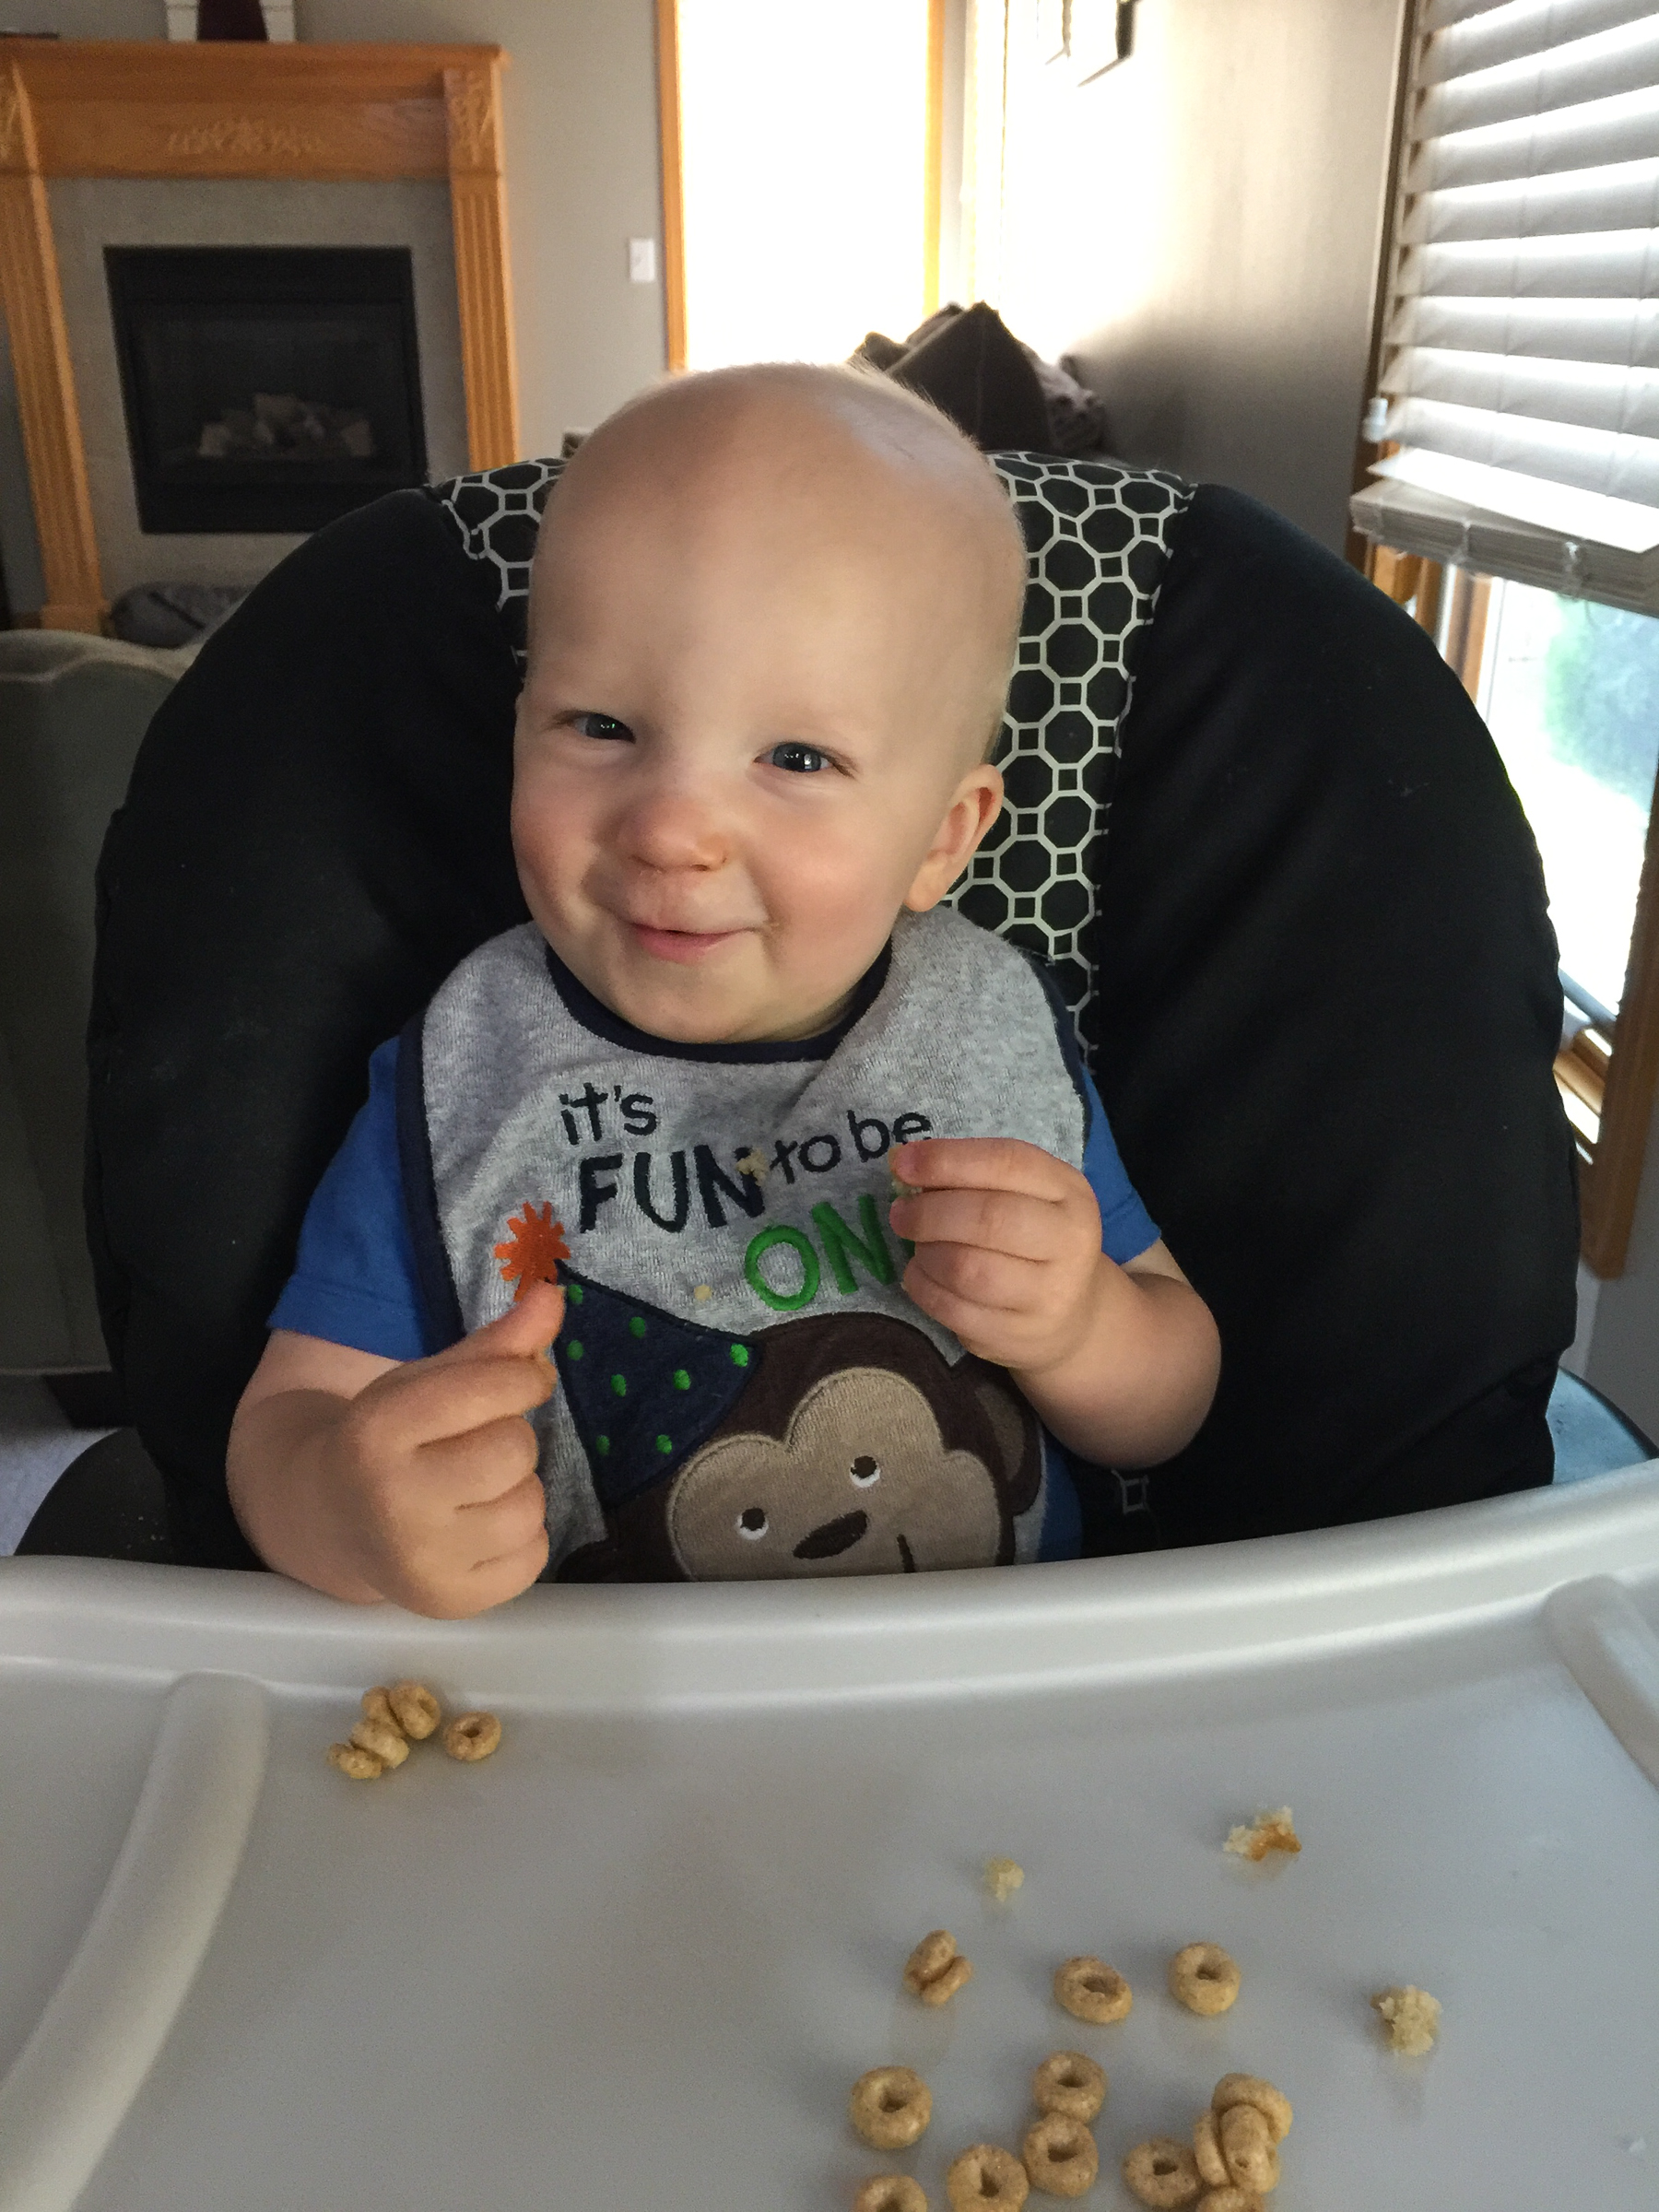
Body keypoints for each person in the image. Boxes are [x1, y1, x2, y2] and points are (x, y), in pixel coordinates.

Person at [226, 363, 1219, 1616]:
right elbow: (284, 1425)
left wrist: (1083, 1328)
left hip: (983, 1691)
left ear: (942, 839)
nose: (671, 829)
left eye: (796, 757)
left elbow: (1170, 1406)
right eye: (601, 727)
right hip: (593, 1701)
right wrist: (348, 1510)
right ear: (519, 725)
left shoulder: (980, 1035)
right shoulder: (471, 1067)